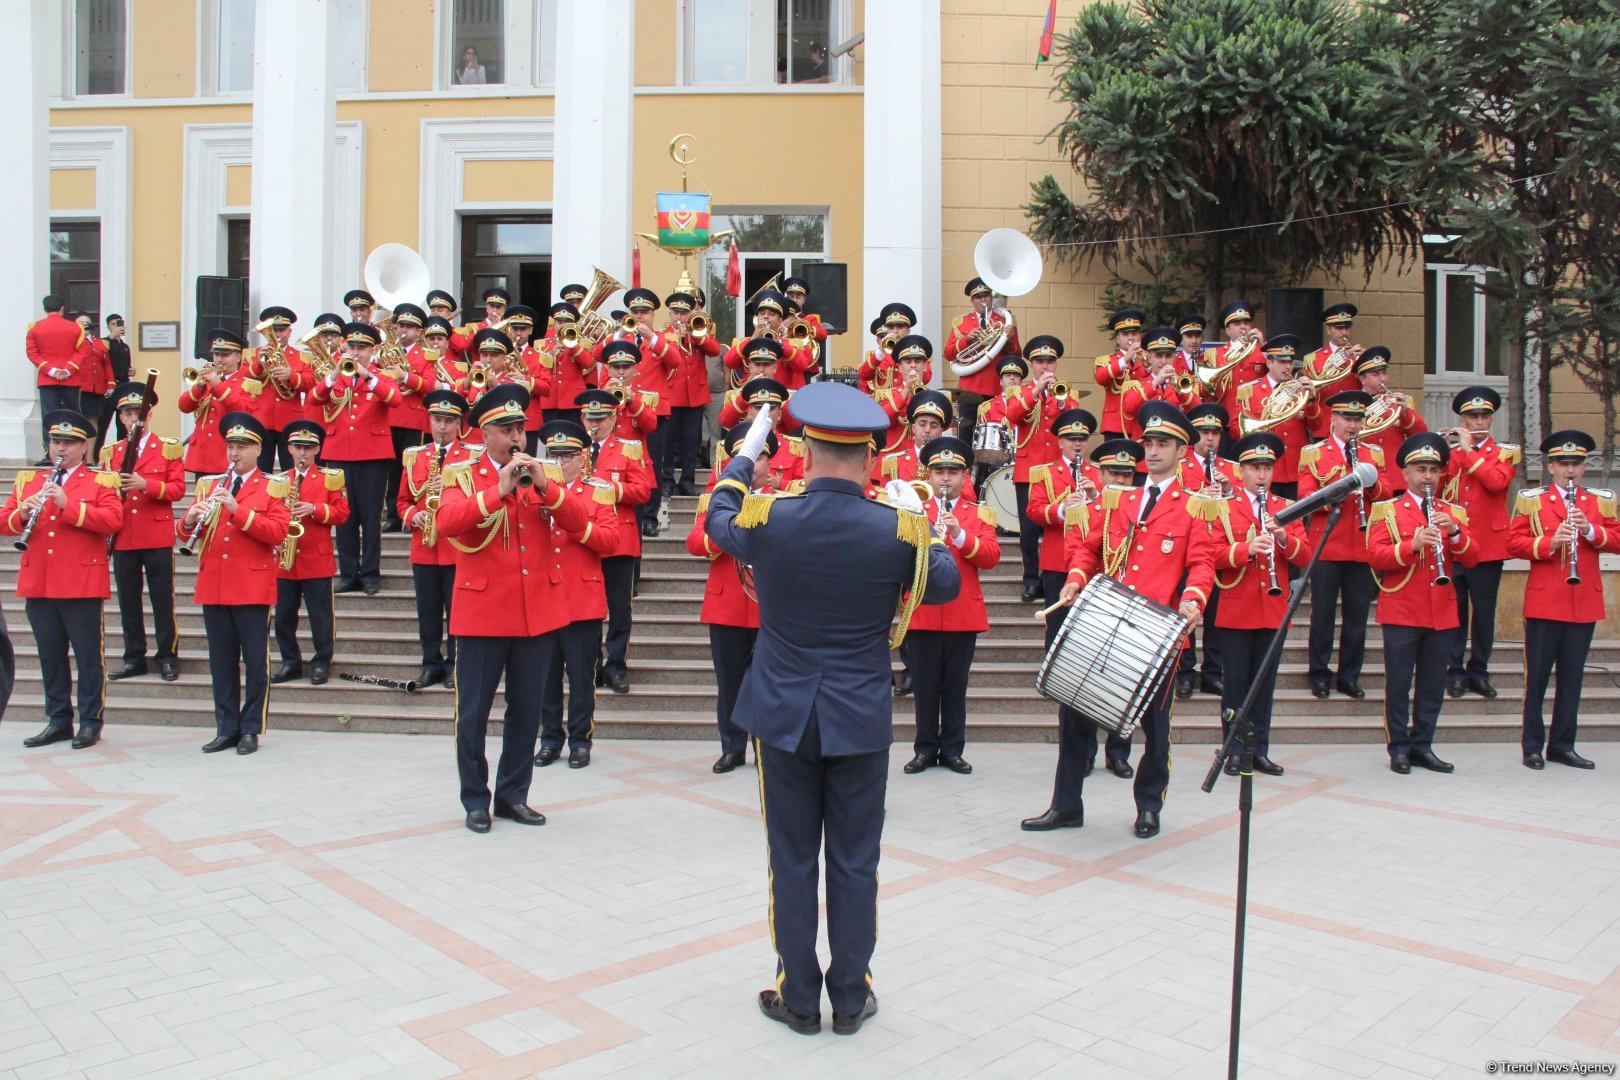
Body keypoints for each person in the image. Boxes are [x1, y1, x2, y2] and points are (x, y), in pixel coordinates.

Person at [705, 382, 960, 1036]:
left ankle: (798, 997)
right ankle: (850, 997)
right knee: (855, 860)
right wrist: (924, 525)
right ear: (871, 457)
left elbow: (716, 520)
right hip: (859, 716)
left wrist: (743, 456)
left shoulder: (771, 517)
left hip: (783, 714)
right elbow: (948, 583)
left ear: (807, 449)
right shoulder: (896, 527)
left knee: (790, 859)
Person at [1041, 402, 1217, 840]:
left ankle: (1149, 806)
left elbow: (1202, 565)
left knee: (1156, 728)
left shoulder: (1195, 506)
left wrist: (1193, 601)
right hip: (1107, 622)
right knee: (1075, 715)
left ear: (1181, 450)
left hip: (1157, 631)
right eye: (1150, 444)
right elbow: (1090, 548)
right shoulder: (1121, 498)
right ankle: (1066, 805)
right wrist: (1076, 579)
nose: (1154, 451)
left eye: (1163, 444)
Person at [437, 384, 593, 834]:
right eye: (506, 430)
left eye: (521, 428)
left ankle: (512, 796)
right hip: (483, 611)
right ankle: (474, 800)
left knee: (526, 711)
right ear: (484, 435)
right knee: (474, 712)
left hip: (535, 612)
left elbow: (581, 523)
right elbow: (447, 523)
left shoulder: (546, 473)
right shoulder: (461, 473)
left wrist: (548, 489)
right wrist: (496, 491)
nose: (517, 438)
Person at [0, 410, 122, 749]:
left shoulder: (101, 481)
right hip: (40, 581)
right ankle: (58, 720)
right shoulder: (30, 481)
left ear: (84, 447)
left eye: (69, 443)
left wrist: (69, 505)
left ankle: (90, 722)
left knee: (87, 657)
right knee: (50, 655)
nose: (61, 448)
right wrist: (22, 512)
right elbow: (3, 521)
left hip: (81, 583)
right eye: (56, 441)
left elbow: (113, 520)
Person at [1024, 416, 1136, 784]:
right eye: (1070, 438)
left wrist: (1092, 497)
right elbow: (1036, 512)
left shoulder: (1101, 476)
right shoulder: (1045, 472)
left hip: (1119, 584)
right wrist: (1068, 507)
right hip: (1067, 566)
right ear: (1059, 441)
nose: (1076, 443)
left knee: (1121, 673)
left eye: (1081, 438)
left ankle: (1118, 752)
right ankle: (1083, 752)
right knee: (1078, 665)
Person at [179, 412, 291, 756]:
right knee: (220, 660)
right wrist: (190, 519)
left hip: (251, 586)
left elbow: (277, 532)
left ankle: (250, 729)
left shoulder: (274, 486)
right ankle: (226, 727)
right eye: (230, 446)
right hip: (214, 583)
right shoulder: (209, 484)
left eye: (241, 447)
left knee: (255, 661)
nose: (234, 453)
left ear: (258, 450)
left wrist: (238, 511)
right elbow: (184, 533)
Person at [1367, 433, 1478, 774]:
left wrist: (1456, 532)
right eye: (1420, 469)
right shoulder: (1386, 509)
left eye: (1433, 470)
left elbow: (1474, 558)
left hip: (1441, 611)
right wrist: (1411, 545)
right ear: (1406, 473)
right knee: (1399, 684)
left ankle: (1423, 745)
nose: (1427, 476)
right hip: (1402, 609)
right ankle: (1399, 748)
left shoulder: (1452, 511)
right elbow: (1374, 555)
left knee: (1432, 685)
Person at [1508, 430, 1619, 770]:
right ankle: (1532, 746)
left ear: (1584, 467)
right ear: (1550, 466)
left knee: (1572, 679)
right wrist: (1550, 542)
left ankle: (1563, 745)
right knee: (1537, 678)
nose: (1569, 470)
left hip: (1582, 600)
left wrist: (1589, 531)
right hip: (1545, 602)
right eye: (1562, 463)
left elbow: (1616, 538)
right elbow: (1513, 543)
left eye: (1576, 464)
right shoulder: (1532, 499)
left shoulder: (1599, 501)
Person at [1211, 433, 1310, 775]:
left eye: (1267, 467)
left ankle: (1259, 750)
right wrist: (1245, 550)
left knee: (1264, 687)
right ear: (1242, 472)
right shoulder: (1223, 506)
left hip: (1272, 609)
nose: (1262, 475)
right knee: (1236, 686)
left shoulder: (1285, 507)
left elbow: (1307, 554)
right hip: (1236, 608)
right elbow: (1210, 554)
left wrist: (1283, 537)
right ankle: (1233, 749)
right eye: (1255, 467)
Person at [903, 437, 1000, 776]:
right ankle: (925, 749)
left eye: (953, 472)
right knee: (925, 686)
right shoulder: (913, 511)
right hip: (923, 610)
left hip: (963, 612)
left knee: (955, 687)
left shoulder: (979, 513)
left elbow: (990, 557)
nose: (946, 478)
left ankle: (953, 749)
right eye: (939, 471)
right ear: (928, 476)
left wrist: (960, 536)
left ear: (965, 476)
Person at [687, 423, 778, 773]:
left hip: (769, 605)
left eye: (760, 457)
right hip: (726, 605)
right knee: (729, 682)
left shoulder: (785, 499)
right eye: (746, 458)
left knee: (768, 683)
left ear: (770, 464)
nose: (753, 465)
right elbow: (695, 542)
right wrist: (728, 529)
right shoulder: (716, 500)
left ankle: (764, 747)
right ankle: (732, 746)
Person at [534, 420, 620, 769]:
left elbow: (611, 541)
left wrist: (577, 525)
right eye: (554, 456)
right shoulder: (535, 491)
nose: (560, 462)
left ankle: (580, 740)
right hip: (545, 598)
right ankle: (550, 739)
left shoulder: (597, 491)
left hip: (581, 600)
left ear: (582, 458)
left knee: (582, 677)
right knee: (545, 677)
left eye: (567, 456)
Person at [1299, 390, 1387, 700]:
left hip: (1361, 546)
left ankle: (1349, 676)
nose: (1353, 425)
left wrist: (1369, 482)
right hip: (1327, 545)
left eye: (1357, 420)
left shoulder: (1372, 454)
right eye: (1347, 419)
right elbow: (1307, 498)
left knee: (1357, 618)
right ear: (1333, 419)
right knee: (1322, 614)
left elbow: (1386, 492)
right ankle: (1319, 673)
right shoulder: (1315, 453)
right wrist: (1340, 484)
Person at [101, 382, 184, 683]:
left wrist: (145, 484)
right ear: (120, 418)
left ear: (148, 416)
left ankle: (167, 656)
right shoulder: (112, 451)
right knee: (128, 601)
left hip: (155, 534)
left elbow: (177, 489)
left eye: (138, 412)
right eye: (127, 413)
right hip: (124, 535)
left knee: (162, 599)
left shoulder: (167, 447)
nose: (133, 418)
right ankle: (134, 656)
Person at [310, 322, 401, 595]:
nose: (356, 352)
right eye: (352, 347)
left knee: (371, 518)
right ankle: (348, 574)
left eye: (362, 348)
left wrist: (366, 375)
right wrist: (335, 373)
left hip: (373, 455)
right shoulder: (336, 376)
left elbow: (394, 399)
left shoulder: (380, 376)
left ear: (372, 350)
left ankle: (371, 574)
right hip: (338, 453)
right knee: (345, 517)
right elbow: (315, 399)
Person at [1441, 386, 1519, 700]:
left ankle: (1480, 671)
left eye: (1483, 415)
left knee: (1484, 614)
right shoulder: (1448, 451)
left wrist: (1468, 451)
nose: (1477, 421)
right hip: (1455, 543)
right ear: (1462, 418)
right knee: (1454, 612)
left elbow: (1496, 482)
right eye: (1472, 416)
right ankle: (1455, 672)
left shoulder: (1505, 452)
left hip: (1488, 546)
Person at [576, 389, 654, 695]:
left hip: (619, 540)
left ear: (614, 417)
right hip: (584, 538)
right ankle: (592, 666)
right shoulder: (572, 449)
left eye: (602, 418)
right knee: (589, 608)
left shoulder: (628, 449)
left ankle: (617, 665)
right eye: (589, 418)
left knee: (620, 609)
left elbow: (644, 491)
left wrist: (613, 488)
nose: (595, 424)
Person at [399, 390, 476, 690]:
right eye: (437, 420)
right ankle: (430, 664)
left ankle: (457, 665)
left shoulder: (471, 456)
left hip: (456, 547)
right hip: (424, 547)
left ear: (459, 424)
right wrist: (410, 517)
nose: (442, 427)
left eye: (448, 421)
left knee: (458, 611)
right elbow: (403, 500)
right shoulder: (414, 456)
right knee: (428, 612)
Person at [270, 421, 350, 687]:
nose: (302, 453)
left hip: (316, 558)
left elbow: (342, 513)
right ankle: (290, 662)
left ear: (317, 450)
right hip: (285, 558)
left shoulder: (330, 477)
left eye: (308, 448)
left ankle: (321, 663)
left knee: (321, 617)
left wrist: (315, 509)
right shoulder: (279, 481)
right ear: (289, 449)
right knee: (283, 617)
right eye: (297, 448)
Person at [1006, 335, 1075, 601]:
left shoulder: (1067, 393)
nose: (1044, 366)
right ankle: (1032, 580)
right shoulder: (1019, 392)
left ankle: (1053, 576)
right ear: (1031, 365)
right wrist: (1036, 393)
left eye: (1049, 361)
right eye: (1039, 362)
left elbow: (1074, 421)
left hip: (1058, 470)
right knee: (1029, 531)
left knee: (1056, 529)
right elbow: (1013, 416)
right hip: (1028, 470)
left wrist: (1059, 401)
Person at [946, 276, 1021, 454]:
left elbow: (1017, 355)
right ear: (972, 301)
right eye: (978, 297)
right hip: (969, 389)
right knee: (966, 436)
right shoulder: (961, 323)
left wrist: (1009, 339)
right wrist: (966, 340)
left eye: (986, 295)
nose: (983, 300)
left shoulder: (1005, 320)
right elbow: (949, 353)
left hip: (996, 387)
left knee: (995, 441)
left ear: (991, 297)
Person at [179, 330, 264, 476]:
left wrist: (218, 385)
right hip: (201, 455)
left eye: (225, 355)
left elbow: (243, 411)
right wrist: (199, 387)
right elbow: (184, 406)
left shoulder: (247, 384)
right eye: (217, 354)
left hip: (224, 455)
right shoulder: (206, 382)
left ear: (238, 356)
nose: (219, 359)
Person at [245, 306, 316, 472]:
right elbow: (242, 381)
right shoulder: (252, 355)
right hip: (262, 419)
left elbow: (312, 383)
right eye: (274, 330)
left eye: (282, 330)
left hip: (290, 420)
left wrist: (291, 376)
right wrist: (258, 364)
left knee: (291, 469)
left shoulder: (302, 357)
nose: (278, 334)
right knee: (261, 470)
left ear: (289, 332)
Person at [25, 296, 91, 462]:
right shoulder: (76, 328)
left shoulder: (35, 328)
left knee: (48, 416)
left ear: (45, 309)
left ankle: (50, 454)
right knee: (74, 414)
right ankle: (77, 453)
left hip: (47, 379)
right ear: (62, 308)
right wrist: (68, 369)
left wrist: (52, 370)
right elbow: (83, 351)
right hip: (71, 379)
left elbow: (32, 353)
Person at [662, 291, 710, 496]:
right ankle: (667, 480)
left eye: (683, 312)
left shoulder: (698, 331)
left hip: (694, 396)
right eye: (675, 312)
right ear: (670, 314)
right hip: (672, 396)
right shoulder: (662, 335)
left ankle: (688, 480)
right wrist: (674, 340)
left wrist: (694, 336)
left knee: (692, 442)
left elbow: (715, 350)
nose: (679, 317)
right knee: (668, 442)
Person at [1090, 309, 1146, 441]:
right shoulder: (1106, 360)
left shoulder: (1147, 359)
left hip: (1141, 422)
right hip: (1115, 425)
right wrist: (1126, 359)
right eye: (1125, 334)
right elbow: (1101, 378)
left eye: (1134, 333)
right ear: (1118, 338)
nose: (1131, 338)